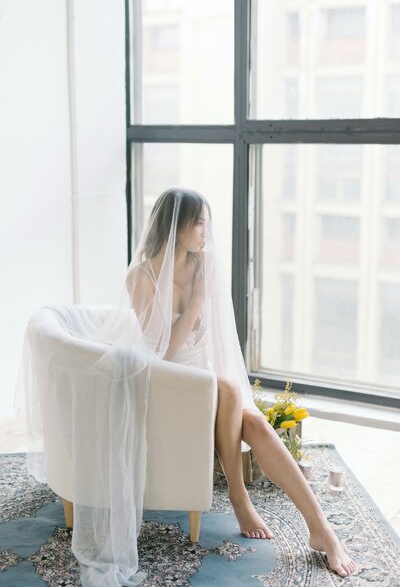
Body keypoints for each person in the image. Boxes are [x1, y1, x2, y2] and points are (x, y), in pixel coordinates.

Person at [126, 187, 357, 579]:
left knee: (250, 417)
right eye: (199, 223)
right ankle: (239, 495)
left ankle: (321, 528)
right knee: (230, 391)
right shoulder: (141, 276)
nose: (206, 232)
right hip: (164, 387)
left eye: (207, 223)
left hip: (207, 387)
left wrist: (220, 389)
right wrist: (197, 301)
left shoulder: (205, 265)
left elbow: (220, 342)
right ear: (176, 225)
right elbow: (162, 354)